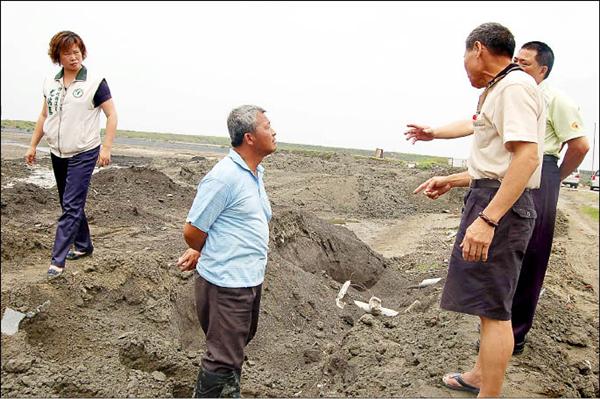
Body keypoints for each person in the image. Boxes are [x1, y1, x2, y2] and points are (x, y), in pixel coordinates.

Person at [405, 41, 590, 355]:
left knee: (526, 260)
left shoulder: (544, 97)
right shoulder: (504, 90)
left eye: (525, 63)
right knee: (500, 271)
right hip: (514, 172)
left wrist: (553, 178)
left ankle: (512, 337)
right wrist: (435, 134)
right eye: (516, 60)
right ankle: (496, 341)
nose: (517, 65)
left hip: (534, 172)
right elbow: (477, 125)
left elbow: (578, 146)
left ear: (543, 70)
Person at [413, 23, 545, 396]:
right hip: (489, 197)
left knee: (495, 311)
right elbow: (486, 146)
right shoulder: (499, 88)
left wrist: (488, 219)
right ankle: (478, 377)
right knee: (489, 304)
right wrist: (449, 171)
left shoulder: (514, 88)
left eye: (465, 56)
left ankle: (489, 393)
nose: (465, 64)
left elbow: (526, 158)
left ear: (478, 49)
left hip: (498, 209)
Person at [176, 105, 277, 397]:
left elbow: (226, 225)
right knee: (221, 358)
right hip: (226, 284)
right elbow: (193, 230)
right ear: (249, 137)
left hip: (247, 280)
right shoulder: (224, 177)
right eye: (267, 126)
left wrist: (205, 248)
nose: (274, 131)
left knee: (232, 349)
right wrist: (203, 249)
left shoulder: (254, 174)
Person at [24, 31, 118, 278]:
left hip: (84, 151)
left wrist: (106, 147)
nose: (73, 57)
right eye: (68, 53)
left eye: (77, 52)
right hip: (58, 151)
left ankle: (57, 261)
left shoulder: (95, 83)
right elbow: (45, 116)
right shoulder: (51, 83)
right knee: (69, 202)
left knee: (71, 205)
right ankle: (84, 245)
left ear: (82, 53)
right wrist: (33, 145)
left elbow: (112, 115)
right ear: (58, 56)